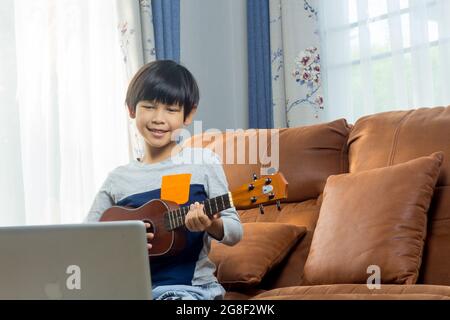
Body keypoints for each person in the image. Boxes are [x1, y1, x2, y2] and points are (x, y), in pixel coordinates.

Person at [84, 60, 243, 300]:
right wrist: (120, 242)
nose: (159, 118)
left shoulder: (203, 163)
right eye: (149, 106)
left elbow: (234, 231)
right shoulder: (118, 179)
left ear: (188, 115)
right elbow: (85, 240)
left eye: (171, 110)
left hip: (189, 290)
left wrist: (210, 224)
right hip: (127, 290)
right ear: (131, 109)